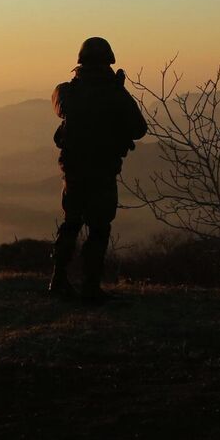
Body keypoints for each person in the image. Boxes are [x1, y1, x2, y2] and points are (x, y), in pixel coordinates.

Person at [49, 37, 148, 301]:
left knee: (71, 223)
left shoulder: (69, 91)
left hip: (72, 169)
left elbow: (60, 104)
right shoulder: (115, 94)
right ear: (109, 61)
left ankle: (58, 280)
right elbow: (139, 129)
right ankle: (90, 286)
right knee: (99, 228)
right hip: (103, 169)